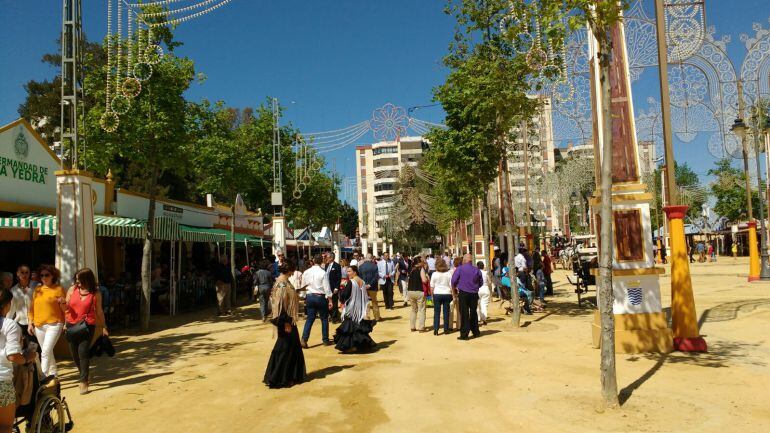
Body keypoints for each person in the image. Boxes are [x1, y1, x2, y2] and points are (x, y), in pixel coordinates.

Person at [65, 268, 108, 395]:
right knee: (74, 354)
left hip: (87, 325)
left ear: (87, 279)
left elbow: (99, 311)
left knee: (82, 351)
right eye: (76, 279)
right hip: (71, 324)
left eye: (80, 279)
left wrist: (104, 326)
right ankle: (84, 374)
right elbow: (66, 308)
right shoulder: (72, 290)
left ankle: (83, 381)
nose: (77, 282)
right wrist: (62, 305)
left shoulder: (96, 293)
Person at [0, 289, 38, 432]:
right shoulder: (9, 325)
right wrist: (28, 357)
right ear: (8, 304)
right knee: (4, 427)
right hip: (1, 381)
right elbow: (13, 356)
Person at [263, 260, 306, 388]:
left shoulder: (283, 282)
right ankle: (279, 377)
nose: (293, 273)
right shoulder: (282, 284)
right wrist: (286, 322)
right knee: (285, 349)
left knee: (289, 348)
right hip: (285, 320)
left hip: (287, 320)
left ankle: (287, 376)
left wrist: (298, 290)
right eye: (293, 270)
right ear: (289, 270)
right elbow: (281, 305)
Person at [28, 264, 66, 377]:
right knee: (48, 352)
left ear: (53, 276)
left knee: (45, 352)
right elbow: (32, 307)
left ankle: (42, 377)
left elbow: (65, 309)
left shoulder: (59, 289)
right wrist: (30, 323)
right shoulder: (38, 289)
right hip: (39, 325)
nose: (44, 277)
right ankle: (54, 374)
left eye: (47, 275)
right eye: (42, 275)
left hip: (55, 324)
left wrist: (63, 302)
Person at [333, 266, 376, 352]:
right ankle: (360, 345)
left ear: (355, 272)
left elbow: (345, 295)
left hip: (352, 308)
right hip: (360, 308)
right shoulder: (362, 281)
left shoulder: (351, 282)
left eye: (349, 271)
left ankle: (351, 346)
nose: (347, 273)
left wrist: (342, 293)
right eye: (347, 272)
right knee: (357, 326)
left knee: (350, 327)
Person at [300, 255, 333, 348]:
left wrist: (303, 296)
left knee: (310, 318)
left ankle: (304, 339)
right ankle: (325, 340)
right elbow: (326, 287)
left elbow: (303, 285)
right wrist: (330, 299)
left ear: (313, 261)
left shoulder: (306, 272)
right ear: (321, 261)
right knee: (324, 318)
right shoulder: (323, 272)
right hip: (320, 297)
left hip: (310, 296)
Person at [451, 254, 482, 340]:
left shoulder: (460, 269)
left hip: (463, 293)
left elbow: (453, 280)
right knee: (473, 312)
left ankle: (464, 334)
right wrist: (475, 287)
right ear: (471, 260)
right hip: (474, 293)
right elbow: (481, 282)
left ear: (464, 260)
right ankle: (476, 332)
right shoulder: (477, 269)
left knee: (464, 313)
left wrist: (456, 287)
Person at [9, 265, 35, 341]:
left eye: (27, 272)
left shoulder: (37, 286)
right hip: (20, 322)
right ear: (17, 273)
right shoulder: (13, 290)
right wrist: (7, 322)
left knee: (35, 347)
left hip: (35, 322)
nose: (24, 275)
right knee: (21, 347)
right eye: (22, 272)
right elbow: (11, 309)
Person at [430, 258, 453, 335]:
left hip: (437, 294)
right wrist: (453, 295)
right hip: (447, 294)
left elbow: (432, 287)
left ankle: (436, 329)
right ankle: (446, 329)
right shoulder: (448, 274)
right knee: (446, 312)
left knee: (436, 312)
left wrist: (431, 296)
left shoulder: (434, 274)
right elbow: (451, 286)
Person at [406, 257, 428, 333]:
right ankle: (421, 328)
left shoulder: (411, 270)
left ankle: (412, 327)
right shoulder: (420, 269)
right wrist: (427, 278)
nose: (423, 262)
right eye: (421, 261)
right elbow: (424, 280)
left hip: (410, 291)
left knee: (413, 310)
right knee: (421, 310)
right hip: (419, 291)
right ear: (418, 263)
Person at [358, 254, 381, 321]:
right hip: (373, 287)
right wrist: (370, 285)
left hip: (364, 287)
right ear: (371, 258)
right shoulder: (374, 266)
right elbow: (376, 277)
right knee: (374, 302)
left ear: (365, 258)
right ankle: (377, 317)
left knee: (365, 303)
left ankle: (367, 317)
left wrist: (364, 285)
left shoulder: (361, 266)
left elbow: (360, 277)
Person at [324, 252, 342, 324]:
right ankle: (330, 316)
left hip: (333, 287)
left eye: (327, 257)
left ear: (331, 258)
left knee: (334, 303)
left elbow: (338, 277)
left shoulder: (337, 266)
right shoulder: (326, 265)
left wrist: (336, 287)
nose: (326, 259)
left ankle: (334, 318)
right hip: (327, 287)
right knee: (327, 302)